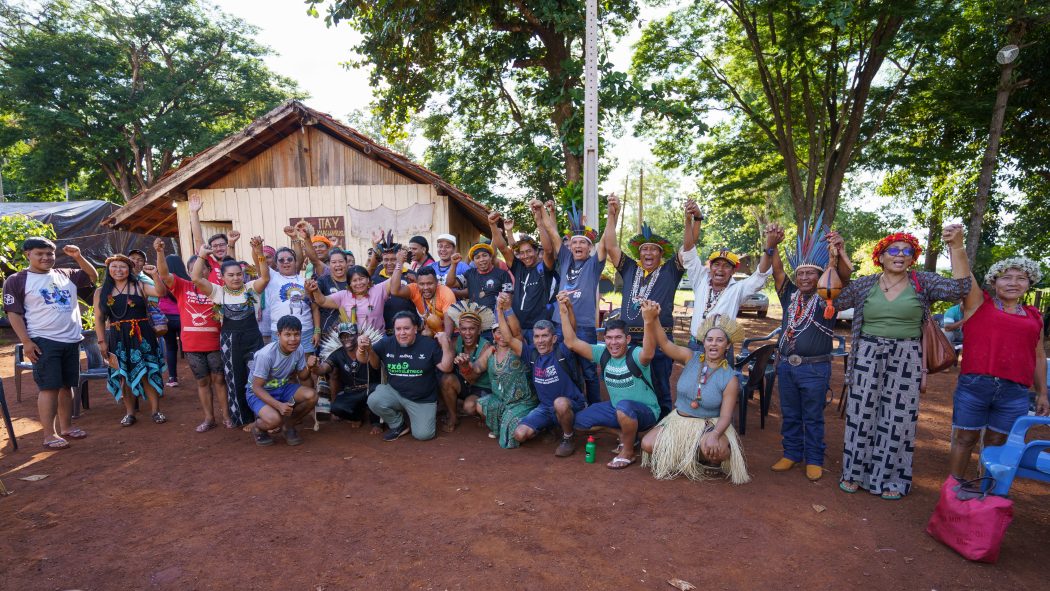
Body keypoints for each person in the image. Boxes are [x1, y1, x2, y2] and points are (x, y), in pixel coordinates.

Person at [832, 230, 972, 499]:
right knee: (861, 414)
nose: (899, 255)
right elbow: (836, 300)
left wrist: (957, 247)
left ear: (912, 259)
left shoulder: (922, 283)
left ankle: (892, 479)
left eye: (906, 251)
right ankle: (854, 473)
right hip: (867, 353)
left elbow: (960, 289)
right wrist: (838, 259)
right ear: (881, 257)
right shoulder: (865, 284)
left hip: (907, 355)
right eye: (893, 251)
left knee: (898, 417)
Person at [946, 231, 1049, 479]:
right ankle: (954, 487)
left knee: (998, 441)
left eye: (1021, 278)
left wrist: (1042, 393)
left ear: (1029, 283)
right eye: (1006, 278)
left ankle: (986, 492)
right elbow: (964, 275)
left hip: (1015, 391)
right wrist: (957, 246)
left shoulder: (1035, 316)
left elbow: (1037, 355)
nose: (1013, 282)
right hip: (975, 385)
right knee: (965, 437)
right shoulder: (978, 305)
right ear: (994, 282)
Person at [767, 219, 851, 481]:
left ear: (820, 276)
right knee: (790, 413)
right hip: (786, 365)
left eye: (810, 273)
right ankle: (791, 453)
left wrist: (839, 252)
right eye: (801, 273)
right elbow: (777, 271)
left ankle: (814, 458)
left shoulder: (828, 294)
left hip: (814, 368)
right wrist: (774, 246)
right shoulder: (789, 294)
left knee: (812, 416)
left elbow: (845, 277)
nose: (804, 278)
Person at [640, 302, 750, 484]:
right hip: (679, 420)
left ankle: (697, 456)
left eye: (719, 340)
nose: (713, 344)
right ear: (703, 342)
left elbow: (725, 416)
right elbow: (665, 344)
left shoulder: (730, 378)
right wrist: (654, 318)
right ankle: (690, 456)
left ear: (728, 345)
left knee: (718, 451)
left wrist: (715, 435)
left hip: (707, 425)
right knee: (647, 444)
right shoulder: (690, 358)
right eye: (709, 339)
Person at [3, 237, 97, 449]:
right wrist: (26, 342)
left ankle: (67, 427)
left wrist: (78, 256)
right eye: (40, 254)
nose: (46, 258)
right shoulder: (17, 280)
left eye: (50, 254)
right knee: (49, 387)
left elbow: (92, 276)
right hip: (43, 341)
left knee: (66, 385)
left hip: (71, 340)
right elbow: (13, 314)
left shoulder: (66, 274)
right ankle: (49, 434)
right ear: (28, 254)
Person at [604, 195, 692, 417]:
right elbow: (611, 245)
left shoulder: (670, 270)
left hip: (661, 343)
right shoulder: (630, 269)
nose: (648, 253)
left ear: (661, 254)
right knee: (632, 388)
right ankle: (634, 427)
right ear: (639, 254)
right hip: (630, 342)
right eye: (644, 250)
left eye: (653, 250)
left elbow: (689, 247)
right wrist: (612, 214)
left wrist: (689, 220)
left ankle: (662, 435)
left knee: (661, 388)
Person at [560, 295, 660, 469]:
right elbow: (571, 342)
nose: (613, 343)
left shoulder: (635, 354)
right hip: (618, 409)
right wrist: (563, 311)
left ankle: (628, 452)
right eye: (609, 338)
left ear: (627, 340)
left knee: (624, 407)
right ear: (604, 339)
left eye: (618, 338)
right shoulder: (602, 353)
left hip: (646, 413)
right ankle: (624, 434)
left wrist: (648, 321)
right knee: (579, 422)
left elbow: (649, 352)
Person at [190, 236, 270, 427]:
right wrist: (202, 256)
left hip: (253, 340)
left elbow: (265, 277)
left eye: (238, 274)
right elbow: (195, 277)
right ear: (223, 277)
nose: (235, 278)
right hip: (229, 343)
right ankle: (241, 418)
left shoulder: (252, 289)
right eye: (231, 275)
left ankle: (262, 416)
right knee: (234, 379)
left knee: (257, 378)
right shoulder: (217, 292)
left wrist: (259, 254)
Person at [535, 199, 608, 404]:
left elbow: (606, 242)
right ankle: (574, 405)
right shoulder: (565, 259)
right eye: (574, 242)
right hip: (560, 324)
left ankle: (594, 410)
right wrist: (543, 209)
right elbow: (553, 232)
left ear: (589, 247)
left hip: (584, 327)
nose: (577, 245)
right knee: (564, 367)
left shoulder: (594, 264)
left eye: (582, 242)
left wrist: (613, 214)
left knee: (589, 372)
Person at [500, 296, 587, 456]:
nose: (540, 341)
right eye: (537, 336)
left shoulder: (563, 351)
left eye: (544, 336)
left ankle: (568, 438)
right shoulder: (531, 353)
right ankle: (548, 427)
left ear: (554, 338)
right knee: (520, 434)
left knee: (559, 403)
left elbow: (572, 330)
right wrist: (500, 310)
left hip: (571, 404)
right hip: (545, 408)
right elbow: (508, 338)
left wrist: (567, 307)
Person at [159, 243, 229, 432]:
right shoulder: (182, 286)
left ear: (208, 270)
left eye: (203, 267)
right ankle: (209, 418)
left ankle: (227, 417)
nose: (198, 271)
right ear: (189, 272)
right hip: (192, 344)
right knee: (202, 382)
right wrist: (159, 252)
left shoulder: (217, 288)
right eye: (192, 268)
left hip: (214, 343)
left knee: (220, 380)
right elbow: (164, 275)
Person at [93, 253, 169, 426]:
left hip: (143, 336)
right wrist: (101, 341)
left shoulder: (140, 285)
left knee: (148, 373)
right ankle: (129, 413)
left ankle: (156, 411)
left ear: (129, 269)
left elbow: (161, 292)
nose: (118, 270)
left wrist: (155, 275)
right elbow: (98, 318)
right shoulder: (101, 292)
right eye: (114, 267)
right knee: (122, 376)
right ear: (108, 269)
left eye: (123, 267)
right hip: (117, 338)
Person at [364, 311, 454, 441]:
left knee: (424, 435)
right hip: (395, 392)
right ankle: (398, 425)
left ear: (415, 329)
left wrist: (445, 343)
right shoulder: (386, 343)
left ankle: (420, 416)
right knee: (374, 399)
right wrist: (365, 348)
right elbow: (371, 363)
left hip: (422, 398)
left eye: (406, 328)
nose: (402, 333)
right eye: (398, 329)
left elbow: (447, 367)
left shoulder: (428, 344)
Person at [463, 295, 539, 448]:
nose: (503, 335)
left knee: (517, 435)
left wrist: (505, 308)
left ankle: (537, 427)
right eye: (498, 332)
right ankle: (502, 424)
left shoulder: (517, 347)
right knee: (480, 405)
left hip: (522, 402)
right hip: (503, 401)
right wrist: (465, 365)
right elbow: (476, 369)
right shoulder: (491, 351)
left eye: (506, 331)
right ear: (493, 335)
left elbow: (516, 332)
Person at [246, 315, 318, 446]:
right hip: (257, 392)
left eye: (297, 334)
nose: (293, 339)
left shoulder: (299, 349)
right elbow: (256, 388)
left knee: (312, 396)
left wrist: (309, 367)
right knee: (275, 420)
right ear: (278, 335)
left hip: (282, 387)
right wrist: (279, 405)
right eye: (288, 335)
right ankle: (258, 427)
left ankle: (288, 426)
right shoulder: (266, 355)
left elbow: (302, 376)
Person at [489, 201, 556, 342]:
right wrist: (493, 225)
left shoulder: (544, 268)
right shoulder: (518, 267)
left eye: (529, 251)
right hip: (516, 326)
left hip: (539, 329)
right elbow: (502, 248)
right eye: (522, 253)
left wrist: (539, 220)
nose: (526, 256)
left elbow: (549, 250)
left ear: (537, 252)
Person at [313, 323, 383, 433]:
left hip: (370, 388)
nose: (346, 339)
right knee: (336, 408)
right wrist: (314, 367)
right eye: (343, 336)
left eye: (350, 335)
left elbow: (376, 365)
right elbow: (323, 369)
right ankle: (357, 416)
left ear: (358, 335)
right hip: (351, 392)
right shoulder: (337, 354)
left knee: (378, 392)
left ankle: (376, 423)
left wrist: (369, 350)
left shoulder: (368, 348)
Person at [440, 301, 495, 433]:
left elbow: (473, 378)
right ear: (459, 329)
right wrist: (443, 342)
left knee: (469, 407)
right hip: (465, 385)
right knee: (446, 380)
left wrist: (464, 365)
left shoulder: (486, 346)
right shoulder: (456, 342)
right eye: (463, 329)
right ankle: (453, 418)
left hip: (482, 386)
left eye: (472, 329)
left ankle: (481, 411)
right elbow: (446, 363)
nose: (467, 333)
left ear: (479, 329)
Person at [264, 245, 317, 353]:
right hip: (280, 332)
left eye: (289, 259)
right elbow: (258, 262)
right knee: (281, 367)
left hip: (305, 331)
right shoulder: (272, 277)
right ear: (276, 264)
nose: (286, 262)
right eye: (281, 260)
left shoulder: (305, 281)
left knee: (308, 366)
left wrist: (317, 331)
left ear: (295, 262)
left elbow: (315, 307)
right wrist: (258, 250)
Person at [389, 251, 455, 336]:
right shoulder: (414, 289)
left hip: (449, 333)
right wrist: (399, 263)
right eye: (422, 284)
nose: (426, 288)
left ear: (437, 282)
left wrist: (445, 341)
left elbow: (448, 329)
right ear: (417, 283)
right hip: (428, 332)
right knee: (425, 333)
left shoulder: (446, 293)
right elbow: (394, 291)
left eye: (430, 283)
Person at [309, 265, 390, 333]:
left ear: (368, 279)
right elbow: (322, 301)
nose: (359, 283)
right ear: (349, 284)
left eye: (361, 279)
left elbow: (393, 281)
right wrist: (316, 290)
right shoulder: (344, 295)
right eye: (354, 280)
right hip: (353, 343)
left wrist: (399, 264)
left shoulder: (378, 290)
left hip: (378, 340)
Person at [445, 242, 513, 321]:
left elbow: (508, 299)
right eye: (477, 257)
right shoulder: (470, 274)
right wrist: (454, 264)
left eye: (485, 255)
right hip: (475, 320)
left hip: (497, 320)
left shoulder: (503, 274)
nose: (482, 260)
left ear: (490, 257)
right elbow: (450, 283)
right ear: (473, 261)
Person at [187, 193, 240, 285]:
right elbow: (198, 239)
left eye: (222, 245)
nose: (219, 248)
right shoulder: (209, 263)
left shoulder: (233, 266)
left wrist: (231, 242)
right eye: (215, 246)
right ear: (210, 249)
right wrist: (194, 213)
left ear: (227, 246)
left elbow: (231, 258)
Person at [157, 254, 184, 388]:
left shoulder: (162, 279)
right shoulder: (184, 279)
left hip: (166, 318)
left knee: (171, 348)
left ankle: (173, 378)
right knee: (190, 349)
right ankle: (200, 376)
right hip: (183, 317)